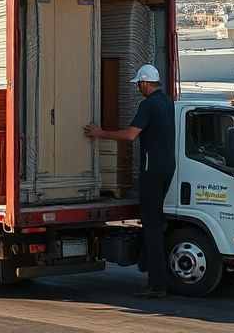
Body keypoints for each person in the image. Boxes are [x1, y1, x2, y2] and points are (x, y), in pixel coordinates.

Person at [84, 64, 176, 298]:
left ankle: (157, 285)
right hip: (167, 168)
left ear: (145, 83)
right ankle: (153, 271)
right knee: (156, 222)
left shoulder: (148, 104)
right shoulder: (167, 102)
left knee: (152, 226)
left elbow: (130, 135)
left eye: (138, 84)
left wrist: (100, 133)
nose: (137, 88)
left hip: (151, 171)